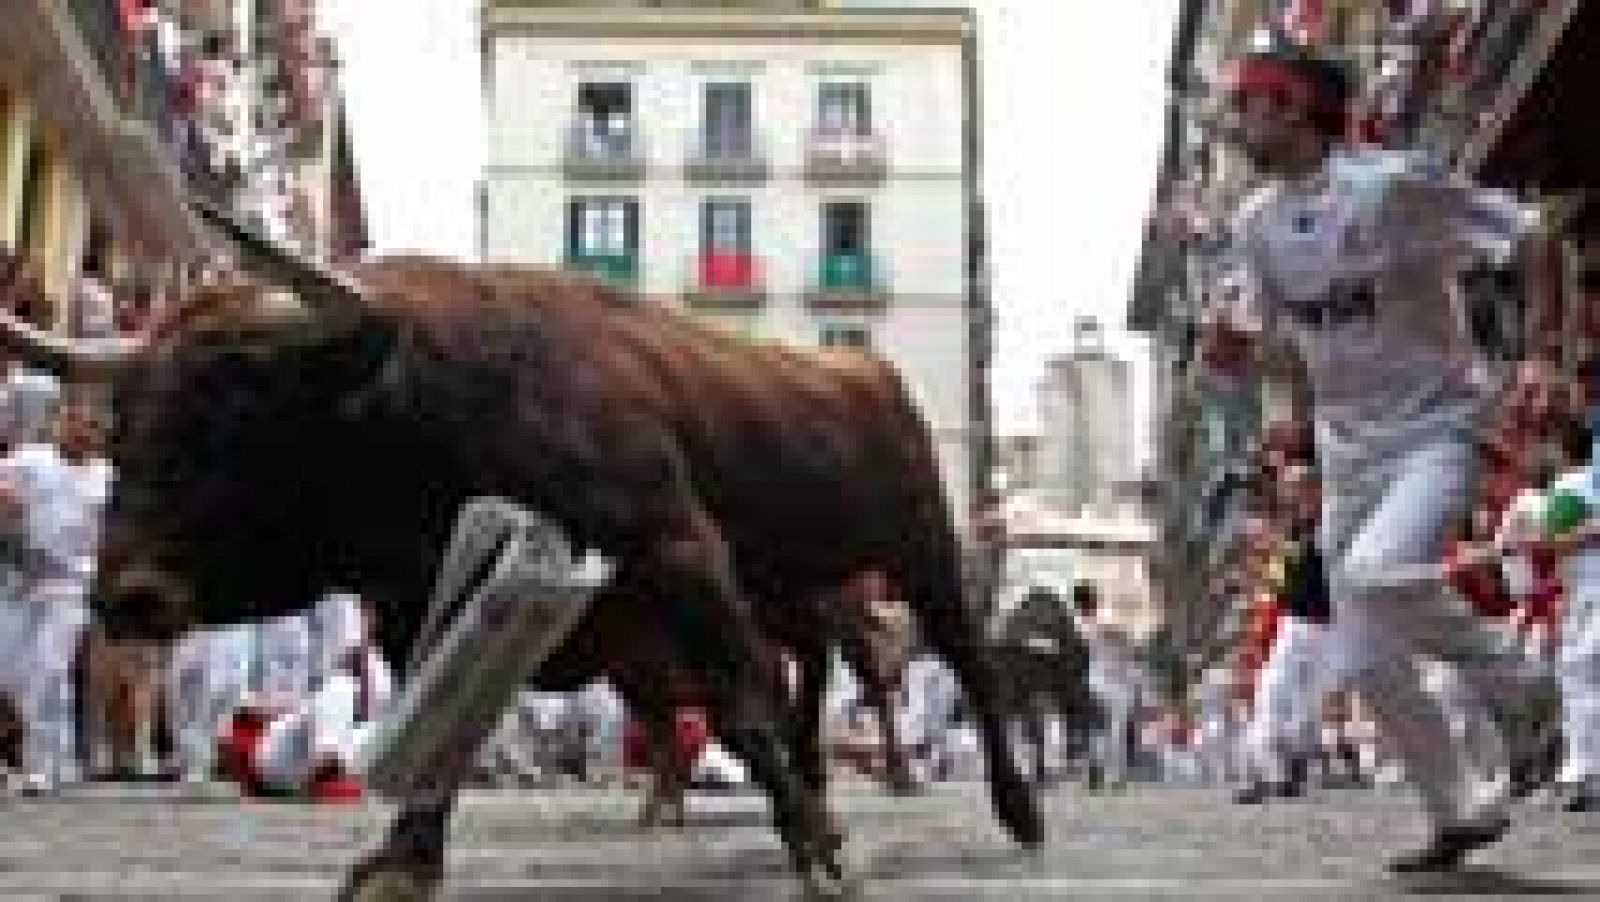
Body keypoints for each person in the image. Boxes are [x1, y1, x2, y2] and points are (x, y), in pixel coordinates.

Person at [1204, 45, 1550, 870]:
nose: (1235, 121)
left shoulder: (1392, 188)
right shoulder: (1255, 223)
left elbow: (1525, 232)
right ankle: (1460, 807)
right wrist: (1230, 353)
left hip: (1436, 427)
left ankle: (1525, 692)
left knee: (1381, 571)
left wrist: (1532, 353)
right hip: (1346, 451)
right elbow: (1261, 345)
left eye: (1249, 104)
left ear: (1294, 109)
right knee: (1360, 654)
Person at [0, 398, 113, 793]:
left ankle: (39, 765)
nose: (83, 432)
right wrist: (7, 503)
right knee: (12, 675)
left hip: (71, 584)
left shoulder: (107, 477)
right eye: (75, 422)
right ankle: (61, 755)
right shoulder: (29, 460)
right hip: (18, 581)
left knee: (49, 669)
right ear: (60, 423)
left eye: (92, 426)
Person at [1237, 466, 1334, 803]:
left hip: (1329, 627)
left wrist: (1279, 553)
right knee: (1271, 691)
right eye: (1287, 489)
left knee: (1307, 706)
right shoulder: (1291, 530)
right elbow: (1281, 583)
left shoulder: (1333, 522)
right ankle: (1262, 774)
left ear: (1313, 490)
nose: (1289, 494)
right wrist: (1263, 574)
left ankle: (1293, 766)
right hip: (1294, 624)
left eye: (1296, 487)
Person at [1533, 420, 1600, 812]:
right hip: (1583, 590)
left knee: (1580, 676)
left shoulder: (1568, 487)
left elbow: (1551, 538)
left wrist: (1543, 539)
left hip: (1589, 591)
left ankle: (1584, 772)